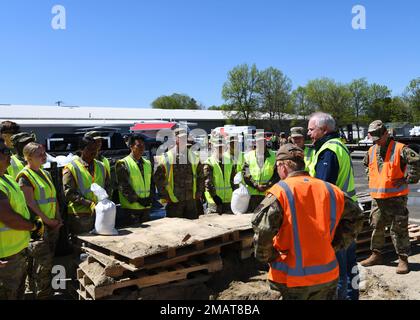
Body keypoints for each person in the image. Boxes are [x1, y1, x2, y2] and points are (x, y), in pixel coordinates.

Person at [252, 144, 364, 300]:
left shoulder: (280, 192)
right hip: (327, 276)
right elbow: (357, 217)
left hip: (290, 280)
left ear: (283, 166)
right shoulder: (332, 190)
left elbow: (263, 231)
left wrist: (269, 257)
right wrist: (337, 245)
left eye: (277, 167)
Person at [307, 112, 359, 300]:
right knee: (351, 266)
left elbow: (321, 189)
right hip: (348, 214)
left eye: (312, 129)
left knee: (339, 270)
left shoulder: (328, 150)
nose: (309, 133)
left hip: (336, 218)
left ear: (324, 129)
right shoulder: (339, 145)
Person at [360, 120, 420, 274]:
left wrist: (409, 178)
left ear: (386, 134)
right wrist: (371, 177)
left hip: (396, 198)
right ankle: (376, 255)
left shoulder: (400, 149)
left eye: (378, 138)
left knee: (398, 228)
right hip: (377, 197)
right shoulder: (372, 150)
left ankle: (403, 259)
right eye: (374, 139)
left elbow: (416, 161)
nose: (376, 141)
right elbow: (366, 165)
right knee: (377, 226)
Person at [16, 142, 62, 299]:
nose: (44, 156)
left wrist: (58, 219)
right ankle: (43, 295)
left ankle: (42, 293)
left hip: (51, 226)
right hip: (38, 228)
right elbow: (31, 203)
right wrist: (48, 221)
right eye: (39, 154)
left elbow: (53, 198)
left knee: (46, 265)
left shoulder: (45, 173)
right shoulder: (24, 177)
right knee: (41, 268)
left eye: (44, 153)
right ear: (28, 157)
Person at [0, 138, 43, 300]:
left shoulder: (8, 179)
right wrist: (33, 226)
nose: (10, 155)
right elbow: (9, 218)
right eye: (5, 152)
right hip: (5, 259)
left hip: (16, 253)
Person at [63, 136, 110, 240]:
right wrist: (89, 204)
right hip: (80, 215)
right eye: (90, 149)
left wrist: (104, 202)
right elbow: (69, 193)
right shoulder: (72, 167)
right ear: (81, 150)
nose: (93, 152)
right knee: (82, 245)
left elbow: (108, 186)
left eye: (95, 149)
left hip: (100, 212)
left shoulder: (102, 166)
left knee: (100, 242)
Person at [154, 128, 204, 219]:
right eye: (180, 138)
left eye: (185, 138)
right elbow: (158, 179)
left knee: (193, 229)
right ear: (175, 139)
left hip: (191, 202)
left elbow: (200, 175)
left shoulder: (194, 156)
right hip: (174, 201)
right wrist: (165, 196)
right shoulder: (167, 157)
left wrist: (199, 192)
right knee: (175, 230)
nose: (183, 140)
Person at [116, 134, 153, 225]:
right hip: (131, 209)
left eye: (143, 146)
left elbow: (151, 183)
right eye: (138, 146)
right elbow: (124, 187)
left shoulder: (147, 163)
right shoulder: (123, 163)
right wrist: (138, 200)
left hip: (146, 207)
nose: (142, 148)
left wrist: (150, 198)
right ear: (131, 147)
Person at [242, 134, 278, 212]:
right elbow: (245, 174)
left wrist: (267, 185)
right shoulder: (248, 156)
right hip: (252, 196)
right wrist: (256, 185)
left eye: (263, 141)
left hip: (268, 194)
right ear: (255, 142)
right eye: (259, 142)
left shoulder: (274, 156)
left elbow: (277, 175)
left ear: (265, 142)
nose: (261, 143)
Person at [204, 138, 236, 214]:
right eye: (218, 147)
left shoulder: (229, 161)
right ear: (213, 148)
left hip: (228, 201)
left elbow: (233, 180)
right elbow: (208, 184)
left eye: (222, 147)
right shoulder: (209, 162)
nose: (220, 149)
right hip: (214, 202)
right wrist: (216, 199)